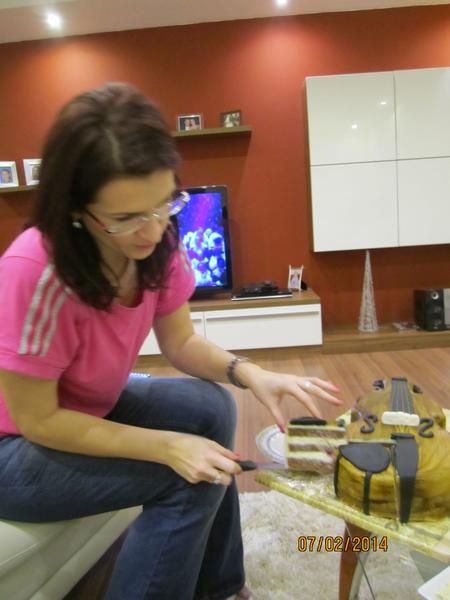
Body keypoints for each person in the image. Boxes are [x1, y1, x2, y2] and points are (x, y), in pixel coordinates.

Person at [0, 82, 341, 600]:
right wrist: (167, 447)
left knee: (210, 406)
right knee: (189, 473)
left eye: (164, 204)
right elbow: (39, 420)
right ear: (75, 209)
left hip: (88, 407)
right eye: (125, 218)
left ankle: (220, 587)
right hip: (16, 447)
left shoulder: (159, 242)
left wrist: (251, 373)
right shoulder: (35, 272)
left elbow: (180, 343)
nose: (152, 229)